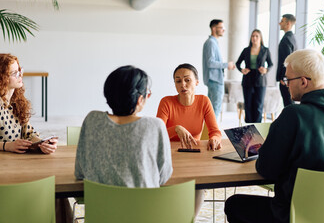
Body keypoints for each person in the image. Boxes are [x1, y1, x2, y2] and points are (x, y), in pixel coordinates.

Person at [225, 49, 324, 223]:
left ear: (303, 82)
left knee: (234, 204)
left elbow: (266, 169)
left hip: (295, 215)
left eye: (288, 79)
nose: (286, 84)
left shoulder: (294, 115)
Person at [75, 65, 172, 188]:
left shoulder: (92, 120)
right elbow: (163, 177)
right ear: (139, 99)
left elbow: (80, 172)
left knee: (58, 199)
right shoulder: (155, 126)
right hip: (145, 206)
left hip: (100, 206)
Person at [156, 63, 222, 217]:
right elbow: (156, 134)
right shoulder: (166, 102)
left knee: (198, 185)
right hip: (169, 156)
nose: (183, 85)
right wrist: (176, 128)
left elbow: (215, 132)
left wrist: (214, 139)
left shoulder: (204, 101)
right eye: (178, 81)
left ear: (197, 82)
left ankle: (191, 219)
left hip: (194, 157)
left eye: (187, 80)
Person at [0, 54, 58, 154]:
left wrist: (42, 144)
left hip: (16, 161)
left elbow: (29, 135)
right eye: (14, 73)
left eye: (19, 70)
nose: (20, 75)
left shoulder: (17, 102)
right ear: (2, 77)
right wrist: (7, 146)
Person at [235, 29, 273, 123]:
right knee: (248, 105)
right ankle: (248, 128)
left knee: (258, 106)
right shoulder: (246, 50)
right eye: (253, 36)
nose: (254, 38)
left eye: (256, 36)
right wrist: (241, 70)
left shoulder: (265, 50)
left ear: (260, 38)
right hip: (247, 79)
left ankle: (257, 129)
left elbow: (271, 64)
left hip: (260, 80)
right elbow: (237, 63)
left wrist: (266, 70)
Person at [203, 19, 235, 120]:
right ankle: (214, 134)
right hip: (215, 81)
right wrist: (226, 65)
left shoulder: (213, 42)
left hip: (214, 80)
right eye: (221, 27)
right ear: (213, 28)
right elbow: (210, 63)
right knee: (215, 111)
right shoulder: (211, 43)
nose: (223, 30)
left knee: (212, 110)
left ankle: (210, 133)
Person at [276, 14, 297, 107]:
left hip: (286, 79)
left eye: (282, 21)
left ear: (288, 23)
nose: (279, 23)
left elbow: (286, 60)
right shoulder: (292, 38)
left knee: (288, 104)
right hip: (290, 78)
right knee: (289, 103)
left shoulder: (286, 40)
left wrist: (284, 78)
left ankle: (292, 122)